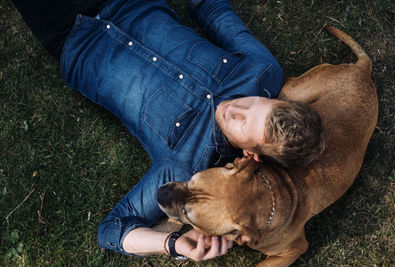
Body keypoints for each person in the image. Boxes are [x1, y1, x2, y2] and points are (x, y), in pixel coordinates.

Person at [11, 0, 324, 262]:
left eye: (243, 123)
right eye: (253, 102)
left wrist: (172, 244)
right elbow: (213, 11)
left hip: (74, 38)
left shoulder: (185, 167)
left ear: (250, 155)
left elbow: (112, 230)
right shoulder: (263, 71)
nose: (235, 108)